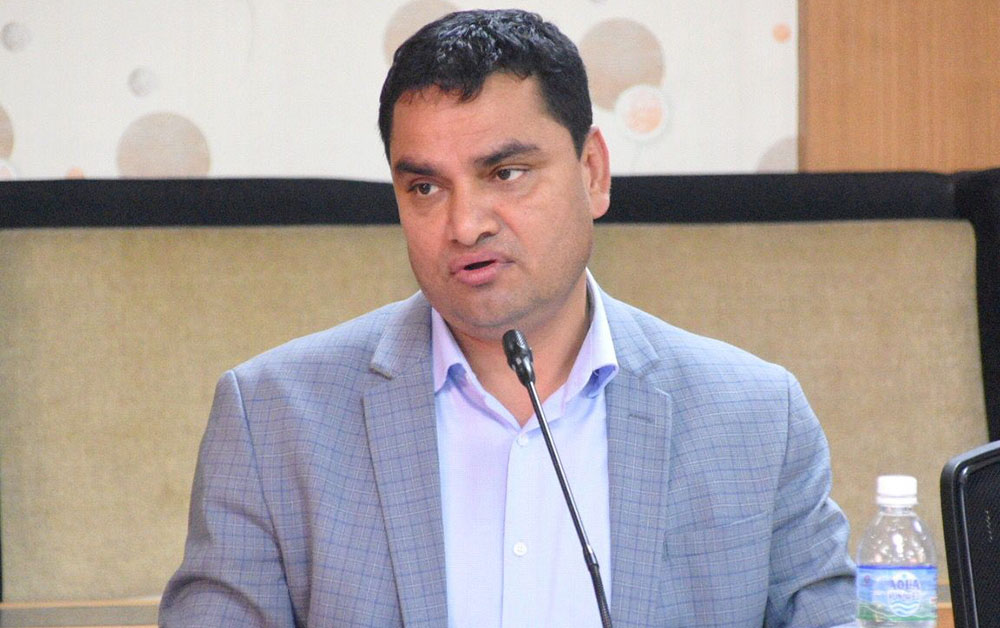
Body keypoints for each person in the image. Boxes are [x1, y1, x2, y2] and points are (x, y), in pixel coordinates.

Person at [160, 9, 855, 627]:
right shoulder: (273, 420)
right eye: (425, 186)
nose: (465, 225)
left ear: (592, 172)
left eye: (506, 173)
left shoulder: (756, 419)